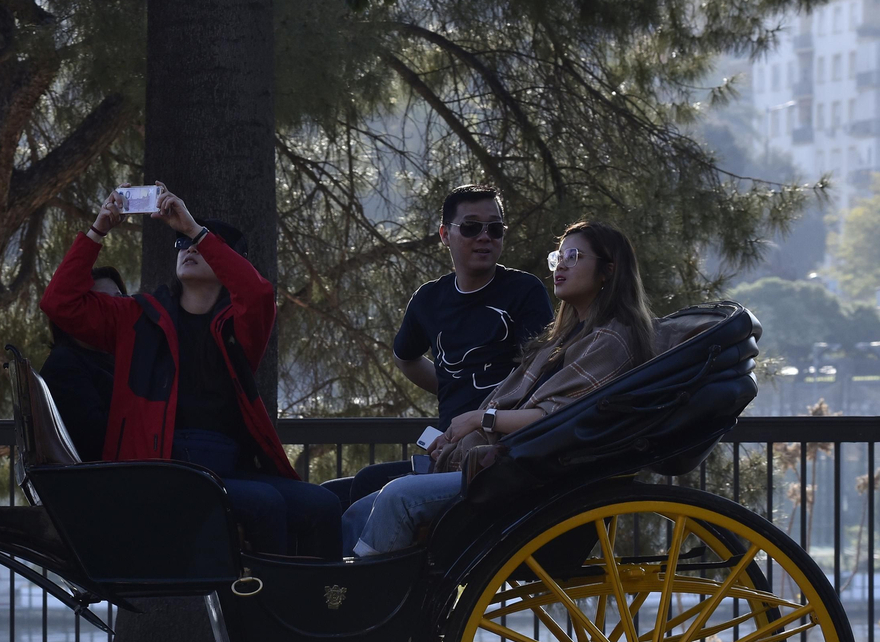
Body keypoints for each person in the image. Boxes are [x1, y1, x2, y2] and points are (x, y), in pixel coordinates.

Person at [40, 183, 344, 558]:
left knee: (324, 506)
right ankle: (257, 613)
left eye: (203, 242)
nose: (190, 248)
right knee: (265, 504)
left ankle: (316, 608)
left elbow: (259, 295)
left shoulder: (236, 326)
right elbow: (59, 303)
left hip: (226, 465)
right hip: (163, 469)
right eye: (182, 243)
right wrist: (98, 230)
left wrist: (194, 230)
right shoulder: (138, 316)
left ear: (230, 264)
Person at [342, 220, 654, 556]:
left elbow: (560, 419)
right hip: (510, 470)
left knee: (397, 497)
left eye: (574, 256)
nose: (561, 264)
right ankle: (341, 594)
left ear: (608, 270)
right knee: (359, 509)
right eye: (558, 256)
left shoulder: (611, 340)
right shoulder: (562, 339)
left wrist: (480, 419)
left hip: (537, 481)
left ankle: (366, 603)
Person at [330, 184, 553, 507]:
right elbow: (405, 358)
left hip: (497, 455)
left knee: (367, 485)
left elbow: (541, 375)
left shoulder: (524, 292)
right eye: (472, 227)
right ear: (445, 234)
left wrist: (482, 413)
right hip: (448, 451)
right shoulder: (428, 300)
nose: (484, 237)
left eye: (495, 228)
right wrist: (451, 385)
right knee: (331, 494)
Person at [40, 265, 127, 461]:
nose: (117, 307)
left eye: (120, 298)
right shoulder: (64, 366)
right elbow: (95, 441)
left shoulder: (117, 358)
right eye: (103, 301)